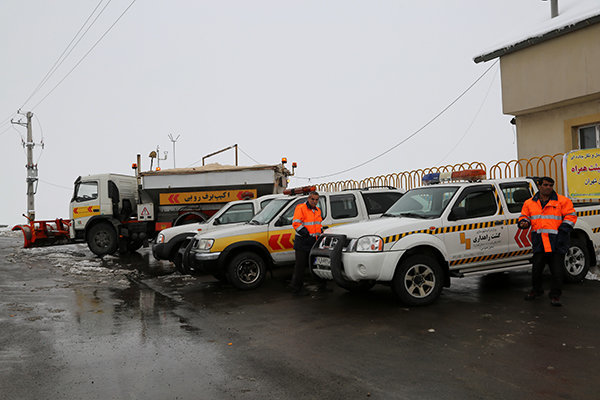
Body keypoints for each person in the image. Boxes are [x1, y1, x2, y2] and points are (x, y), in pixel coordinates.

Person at [518, 177, 577, 306]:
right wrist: (523, 222)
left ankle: (555, 296)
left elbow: (571, 216)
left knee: (557, 271)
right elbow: (524, 216)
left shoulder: (562, 201)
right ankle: (537, 290)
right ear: (539, 186)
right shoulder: (529, 203)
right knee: (536, 270)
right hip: (539, 242)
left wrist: (563, 230)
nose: (548, 187)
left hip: (557, 241)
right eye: (545, 185)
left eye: (551, 185)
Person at [289, 191, 329, 296]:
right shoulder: (301, 208)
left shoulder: (318, 210)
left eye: (316, 200)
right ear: (308, 199)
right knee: (300, 266)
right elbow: (296, 223)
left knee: (317, 264)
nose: (315, 201)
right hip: (302, 241)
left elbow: (318, 225)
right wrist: (305, 233)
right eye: (313, 199)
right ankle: (296, 288)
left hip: (314, 241)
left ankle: (322, 285)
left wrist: (321, 234)